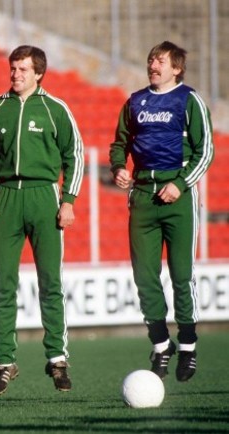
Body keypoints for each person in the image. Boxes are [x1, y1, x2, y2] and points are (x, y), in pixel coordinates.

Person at [0, 45, 84, 396]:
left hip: (44, 197)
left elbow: (74, 154)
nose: (15, 75)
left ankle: (57, 358)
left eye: (22, 69)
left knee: (50, 282)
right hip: (5, 197)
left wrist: (68, 201)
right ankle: (5, 363)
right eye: (13, 69)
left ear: (39, 73)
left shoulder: (55, 109)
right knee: (4, 285)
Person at [109, 41, 214, 382]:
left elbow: (205, 151)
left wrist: (181, 185)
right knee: (144, 278)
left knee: (182, 275)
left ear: (176, 68)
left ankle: (187, 346)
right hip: (142, 196)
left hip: (177, 198)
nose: (153, 65)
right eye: (151, 59)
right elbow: (119, 144)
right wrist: (118, 168)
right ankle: (160, 344)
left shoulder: (189, 100)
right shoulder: (135, 101)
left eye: (161, 61)